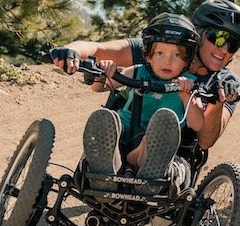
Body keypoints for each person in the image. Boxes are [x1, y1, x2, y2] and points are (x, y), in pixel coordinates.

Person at [52, 0, 240, 154]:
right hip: (127, 131)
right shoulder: (160, 47)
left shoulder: (227, 83)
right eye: (218, 37)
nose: (224, 49)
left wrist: (219, 101)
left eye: (233, 43)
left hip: (173, 152)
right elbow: (97, 48)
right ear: (199, 33)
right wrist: (70, 52)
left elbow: (206, 142)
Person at [83, 13, 199, 181]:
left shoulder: (189, 84)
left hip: (161, 144)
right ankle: (110, 165)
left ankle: (136, 159)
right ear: (148, 55)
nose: (167, 61)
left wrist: (187, 96)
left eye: (177, 55)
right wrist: (104, 72)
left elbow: (198, 124)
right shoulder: (137, 71)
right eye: (160, 53)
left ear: (187, 60)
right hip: (121, 135)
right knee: (106, 119)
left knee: (157, 136)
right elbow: (99, 87)